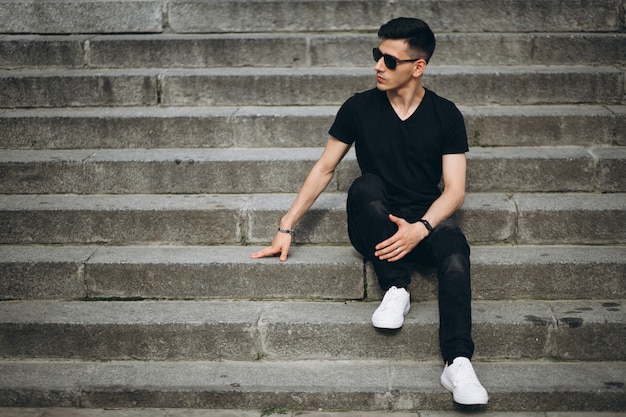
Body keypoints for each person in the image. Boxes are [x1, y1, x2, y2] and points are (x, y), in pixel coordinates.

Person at [251, 17, 488, 406]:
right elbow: (325, 167)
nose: (378, 65)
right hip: (374, 222)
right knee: (365, 186)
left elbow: (455, 191)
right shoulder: (359, 107)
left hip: (422, 222)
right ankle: (396, 287)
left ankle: (457, 361)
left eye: (390, 60)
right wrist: (286, 226)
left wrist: (422, 227)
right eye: (377, 55)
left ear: (418, 66)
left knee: (455, 246)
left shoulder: (445, 114)